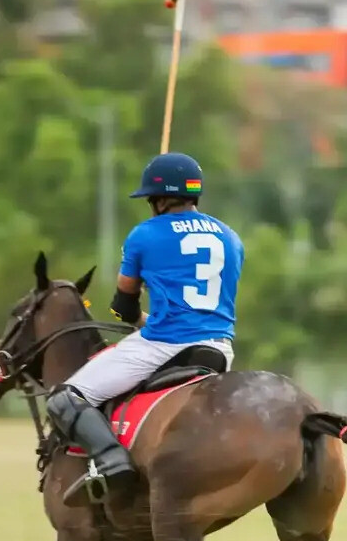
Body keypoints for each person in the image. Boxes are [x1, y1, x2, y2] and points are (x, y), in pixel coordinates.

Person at [46, 152, 244, 499]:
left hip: (165, 344)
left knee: (65, 398)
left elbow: (123, 306)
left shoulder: (145, 234)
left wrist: (141, 320)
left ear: (159, 198)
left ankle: (112, 463)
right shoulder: (231, 237)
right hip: (220, 348)